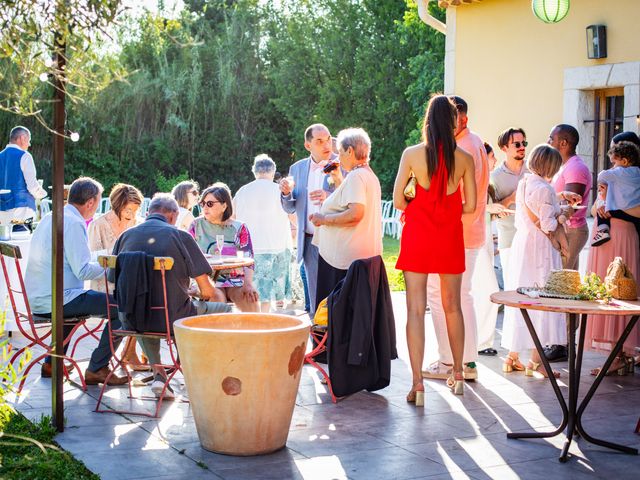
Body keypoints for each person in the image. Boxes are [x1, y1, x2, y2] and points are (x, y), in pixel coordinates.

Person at [393, 95, 477, 403]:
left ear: (427, 122)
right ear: (454, 122)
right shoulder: (465, 159)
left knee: (415, 309)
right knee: (452, 306)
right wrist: (449, 212)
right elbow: (471, 208)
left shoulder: (413, 154)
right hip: (449, 237)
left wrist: (419, 200)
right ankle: (457, 374)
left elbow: (399, 200)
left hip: (417, 235)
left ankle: (417, 383)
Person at [111, 193, 230, 396]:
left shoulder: (125, 236)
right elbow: (207, 291)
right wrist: (191, 290)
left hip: (130, 318)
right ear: (174, 216)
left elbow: (114, 278)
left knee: (144, 304)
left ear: (148, 213)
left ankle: (159, 373)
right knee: (224, 308)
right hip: (172, 318)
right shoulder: (180, 236)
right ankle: (194, 369)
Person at [25, 177, 127, 385]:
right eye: (97, 203)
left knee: (79, 305)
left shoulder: (53, 216)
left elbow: (75, 258)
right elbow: (82, 271)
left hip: (41, 295)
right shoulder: (73, 223)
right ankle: (97, 368)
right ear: (90, 203)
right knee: (122, 309)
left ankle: (52, 363)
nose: (96, 209)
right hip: (56, 299)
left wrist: (107, 256)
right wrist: (117, 265)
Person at [501, 145, 580, 378]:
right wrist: (567, 214)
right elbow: (548, 225)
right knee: (542, 301)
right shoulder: (545, 188)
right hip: (540, 250)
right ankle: (537, 363)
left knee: (523, 299)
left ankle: (512, 357)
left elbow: (538, 207)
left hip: (523, 245)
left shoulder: (526, 182)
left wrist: (560, 204)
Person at [423, 96, 488, 381]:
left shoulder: (461, 148)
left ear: (462, 119)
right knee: (462, 297)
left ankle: (449, 361)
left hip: (456, 232)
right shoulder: (475, 143)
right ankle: (468, 361)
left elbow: (457, 198)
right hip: (471, 231)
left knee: (441, 297)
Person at [584, 132, 640, 376]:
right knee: (614, 287)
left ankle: (620, 353)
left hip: (617, 235)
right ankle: (620, 354)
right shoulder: (625, 178)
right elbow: (598, 204)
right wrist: (603, 204)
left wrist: (611, 209)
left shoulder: (618, 176)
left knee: (618, 286)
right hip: (611, 234)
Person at [310, 127, 382, 308]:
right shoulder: (367, 175)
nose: (338, 158)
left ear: (350, 151)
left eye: (340, 152)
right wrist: (338, 179)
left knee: (337, 312)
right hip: (356, 256)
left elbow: (356, 213)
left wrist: (323, 219)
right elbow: (348, 201)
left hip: (345, 261)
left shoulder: (357, 176)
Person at [279, 123, 337, 316]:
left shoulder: (342, 164)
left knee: (338, 293)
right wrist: (286, 193)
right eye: (319, 141)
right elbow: (289, 206)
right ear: (308, 145)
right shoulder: (297, 168)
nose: (326, 145)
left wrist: (328, 195)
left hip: (337, 238)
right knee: (315, 297)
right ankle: (319, 340)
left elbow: (352, 199)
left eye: (328, 139)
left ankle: (340, 339)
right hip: (310, 240)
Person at [88, 183, 145, 369]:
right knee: (137, 301)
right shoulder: (99, 225)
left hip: (129, 280)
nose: (132, 215)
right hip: (105, 282)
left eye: (135, 211)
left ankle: (133, 352)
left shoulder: (137, 224)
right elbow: (95, 258)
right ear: (117, 205)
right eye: (128, 210)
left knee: (149, 295)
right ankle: (131, 353)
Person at [234, 154, 292, 312]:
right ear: (273, 172)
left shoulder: (242, 191)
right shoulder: (279, 190)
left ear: (254, 171)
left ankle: (256, 318)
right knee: (272, 291)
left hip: (250, 248)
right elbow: (293, 215)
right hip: (276, 245)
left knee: (253, 288)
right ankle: (269, 318)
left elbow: (232, 218)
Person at [189, 183, 259, 312]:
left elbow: (248, 258)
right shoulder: (196, 225)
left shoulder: (239, 227)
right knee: (217, 299)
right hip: (208, 280)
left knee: (250, 299)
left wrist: (248, 284)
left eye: (210, 204)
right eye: (202, 203)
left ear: (224, 205)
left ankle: (257, 331)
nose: (205, 207)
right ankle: (219, 332)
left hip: (235, 280)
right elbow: (188, 255)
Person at [548, 124, 591, 269]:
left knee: (562, 279)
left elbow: (571, 206)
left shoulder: (576, 168)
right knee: (567, 280)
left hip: (571, 230)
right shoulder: (565, 166)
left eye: (551, 138)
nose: (548, 142)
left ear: (563, 143)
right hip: (565, 230)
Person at [490, 127, 528, 284]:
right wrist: (511, 198)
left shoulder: (533, 169)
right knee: (512, 285)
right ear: (504, 148)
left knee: (531, 285)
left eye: (524, 143)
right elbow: (491, 212)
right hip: (508, 240)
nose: (522, 147)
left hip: (531, 239)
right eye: (517, 144)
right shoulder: (495, 177)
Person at [591, 141, 640, 246]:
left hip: (620, 209)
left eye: (613, 163)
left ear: (625, 161)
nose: (612, 167)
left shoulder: (619, 172)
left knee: (603, 211)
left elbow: (601, 176)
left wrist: (611, 171)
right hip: (633, 214)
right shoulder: (638, 172)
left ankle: (603, 231)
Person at [0, 126, 47, 226]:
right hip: (21, 213)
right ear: (22, 138)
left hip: (2, 213)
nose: (29, 144)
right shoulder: (25, 156)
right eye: (28, 140)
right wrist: (43, 194)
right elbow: (32, 187)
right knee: (22, 239)